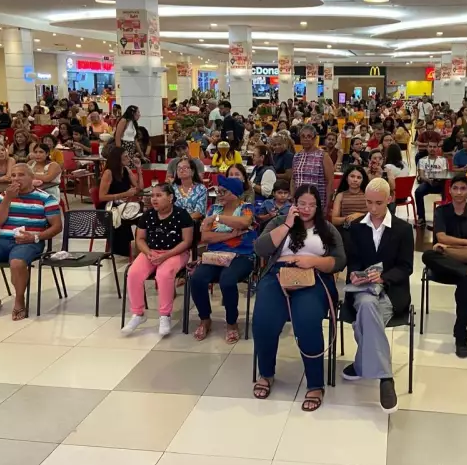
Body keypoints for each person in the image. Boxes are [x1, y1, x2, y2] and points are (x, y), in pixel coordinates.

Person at [251, 185, 345, 411]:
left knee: (308, 321)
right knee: (264, 320)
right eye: (302, 204)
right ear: (294, 203)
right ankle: (266, 373)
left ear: (318, 206)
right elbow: (260, 249)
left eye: (312, 205)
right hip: (278, 276)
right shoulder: (279, 222)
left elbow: (339, 260)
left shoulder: (328, 229)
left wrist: (314, 261)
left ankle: (314, 384)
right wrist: (286, 225)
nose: (306, 209)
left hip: (314, 277)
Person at [341, 177, 412, 412]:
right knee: (368, 304)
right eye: (369, 202)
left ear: (389, 199)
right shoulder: (356, 227)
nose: (373, 209)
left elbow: (406, 266)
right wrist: (356, 274)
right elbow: (352, 260)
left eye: (378, 203)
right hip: (363, 289)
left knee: (367, 314)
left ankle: (362, 362)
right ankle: (385, 378)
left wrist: (384, 278)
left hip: (392, 290)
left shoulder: (403, 229)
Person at [0, 164, 62, 321]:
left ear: (32, 178)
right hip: (3, 240)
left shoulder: (46, 199)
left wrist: (35, 237)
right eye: (13, 175)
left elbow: (57, 227)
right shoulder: (4, 196)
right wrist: (8, 199)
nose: (16, 179)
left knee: (17, 263)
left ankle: (19, 301)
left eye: (21, 175)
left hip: (30, 242)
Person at [422, 175, 467, 358]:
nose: (459, 192)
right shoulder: (442, 211)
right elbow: (441, 237)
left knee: (466, 283)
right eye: (455, 188)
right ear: (449, 190)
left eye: (463, 188)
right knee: (428, 255)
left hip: (465, 263)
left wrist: (451, 247)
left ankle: (460, 336)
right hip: (447, 267)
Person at [122, 184, 194, 337]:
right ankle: (138, 314)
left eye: (159, 195)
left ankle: (164, 315)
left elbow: (186, 242)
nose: (154, 199)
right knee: (133, 273)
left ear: (170, 198)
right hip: (151, 252)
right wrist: (149, 253)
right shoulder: (147, 215)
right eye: (153, 195)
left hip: (176, 252)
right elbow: (140, 239)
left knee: (164, 274)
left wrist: (166, 256)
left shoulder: (182, 215)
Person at [190, 176, 256, 343]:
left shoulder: (246, 208)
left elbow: (244, 222)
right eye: (218, 191)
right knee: (197, 278)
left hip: (241, 255)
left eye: (223, 191)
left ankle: (232, 323)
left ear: (234, 194)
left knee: (227, 280)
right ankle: (205, 319)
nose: (219, 194)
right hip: (215, 256)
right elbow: (205, 236)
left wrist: (217, 220)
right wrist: (230, 235)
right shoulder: (214, 209)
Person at [98, 147, 143, 256]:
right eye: (126, 156)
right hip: (109, 206)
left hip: (123, 205)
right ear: (118, 159)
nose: (129, 158)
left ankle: (142, 246)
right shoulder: (108, 173)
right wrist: (123, 194)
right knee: (126, 216)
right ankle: (122, 249)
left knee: (144, 216)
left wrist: (139, 169)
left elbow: (139, 189)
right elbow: (102, 197)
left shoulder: (126, 170)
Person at [292, 124, 334, 212]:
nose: (306, 139)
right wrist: (293, 200)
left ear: (315, 138)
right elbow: (293, 179)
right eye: (303, 136)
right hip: (299, 203)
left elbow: (330, 182)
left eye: (309, 136)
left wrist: (326, 206)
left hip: (317, 204)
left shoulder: (323, 156)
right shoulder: (297, 156)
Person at [414, 141, 448, 227]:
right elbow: (421, 176)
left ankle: (445, 218)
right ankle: (421, 217)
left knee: (447, 192)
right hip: (427, 182)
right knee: (418, 192)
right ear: (427, 148)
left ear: (437, 148)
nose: (432, 149)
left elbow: (445, 174)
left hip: (440, 182)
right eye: (430, 147)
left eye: (434, 147)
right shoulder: (422, 160)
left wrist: (438, 179)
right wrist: (429, 180)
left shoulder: (443, 160)